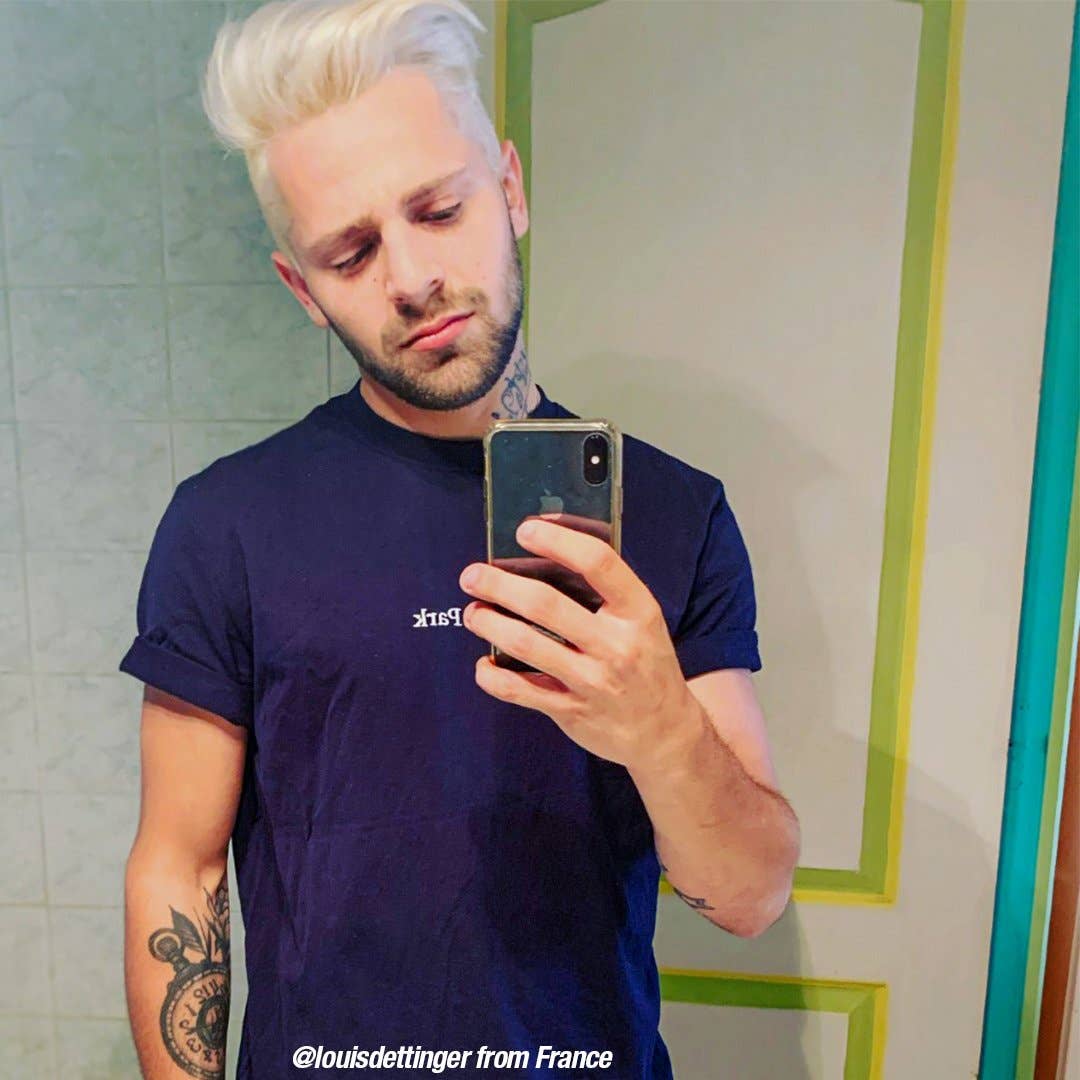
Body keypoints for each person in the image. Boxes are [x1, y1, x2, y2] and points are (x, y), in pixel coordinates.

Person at [119, 1, 802, 1077]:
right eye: (350, 252)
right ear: (302, 289)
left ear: (511, 189)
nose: (410, 278)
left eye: (438, 209)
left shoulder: (673, 514)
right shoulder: (226, 526)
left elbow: (751, 897)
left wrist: (658, 726)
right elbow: (180, 866)